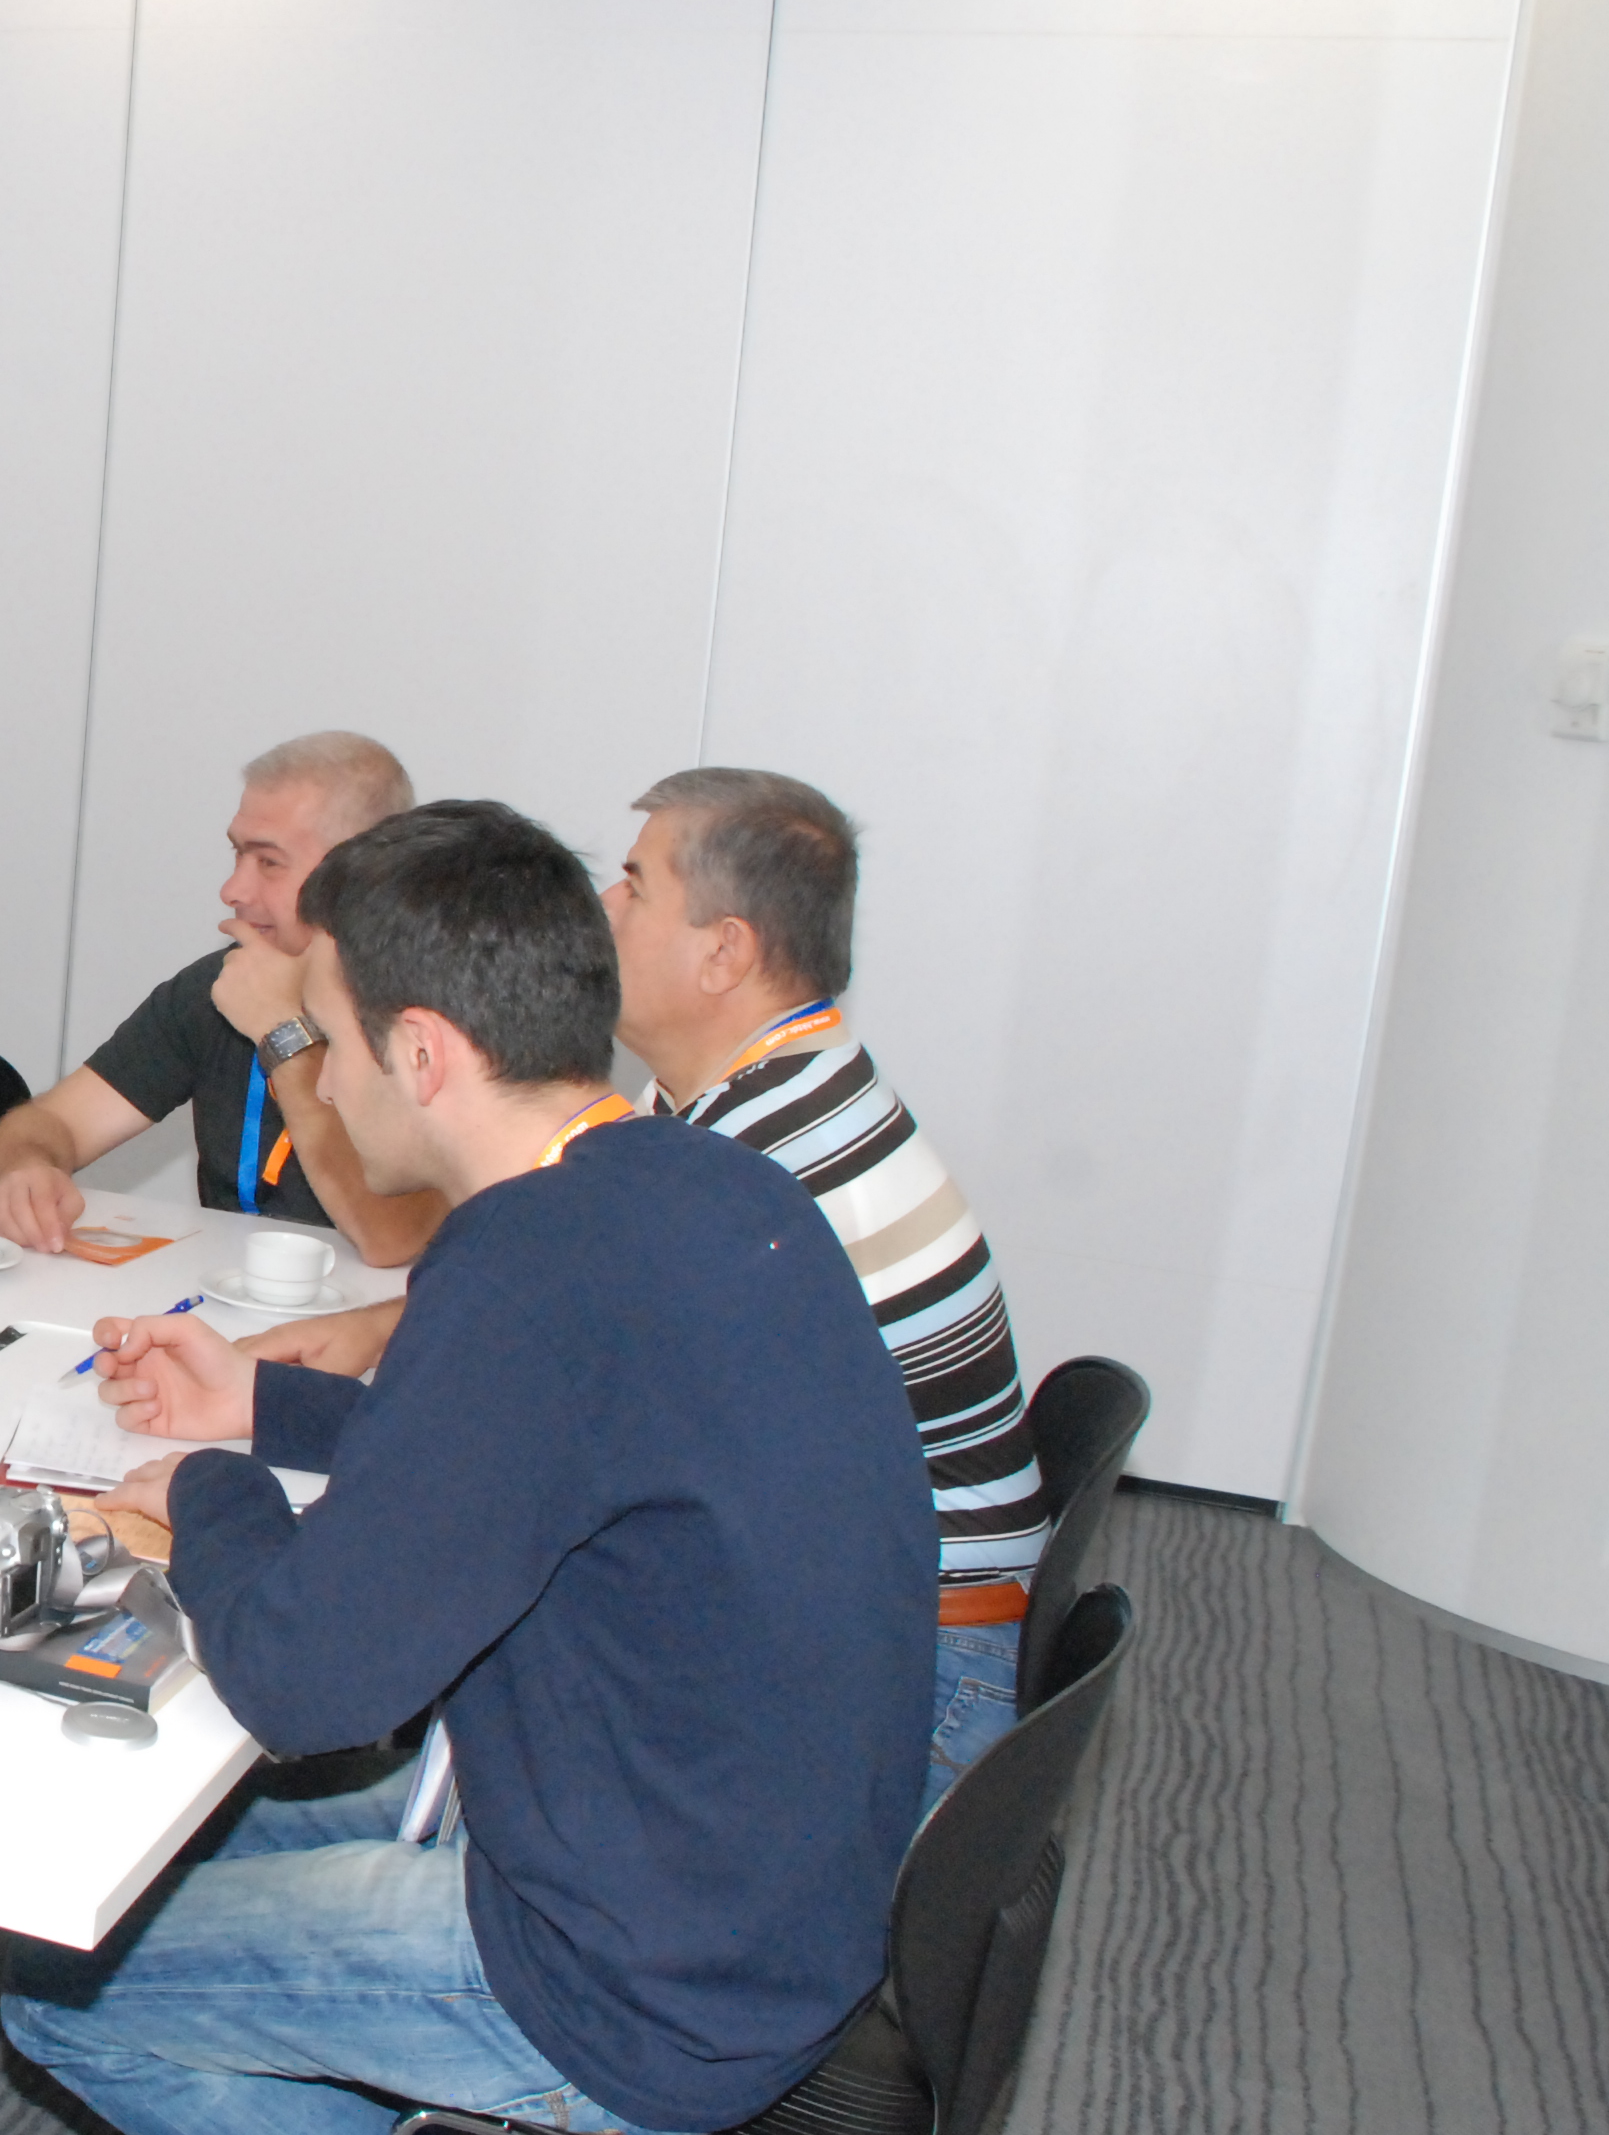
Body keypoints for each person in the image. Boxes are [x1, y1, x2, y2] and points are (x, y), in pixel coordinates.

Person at [4, 801, 932, 2135]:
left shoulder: (520, 1269)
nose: (319, 1081)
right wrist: (256, 1410)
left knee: (67, 1990)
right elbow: (529, 1454)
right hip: (768, 1877)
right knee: (175, 1852)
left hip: (636, 1970)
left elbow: (304, 1684)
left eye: (327, 1039)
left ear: (422, 1052)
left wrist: (203, 1493)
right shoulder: (688, 1182)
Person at [243, 769, 1049, 1805]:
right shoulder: (761, 1092)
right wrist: (374, 1337)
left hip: (897, 1673)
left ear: (725, 951)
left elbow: (531, 1406)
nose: (601, 906)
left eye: (635, 882)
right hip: (854, 1617)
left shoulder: (759, 1156)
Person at [0, 733, 443, 1267]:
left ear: (364, 876)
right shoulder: (221, 985)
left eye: (269, 862)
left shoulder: (434, 1012)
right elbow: (51, 1123)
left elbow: (393, 1239)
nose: (233, 890)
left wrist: (282, 1032)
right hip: (229, 1295)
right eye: (237, 853)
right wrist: (29, 1169)